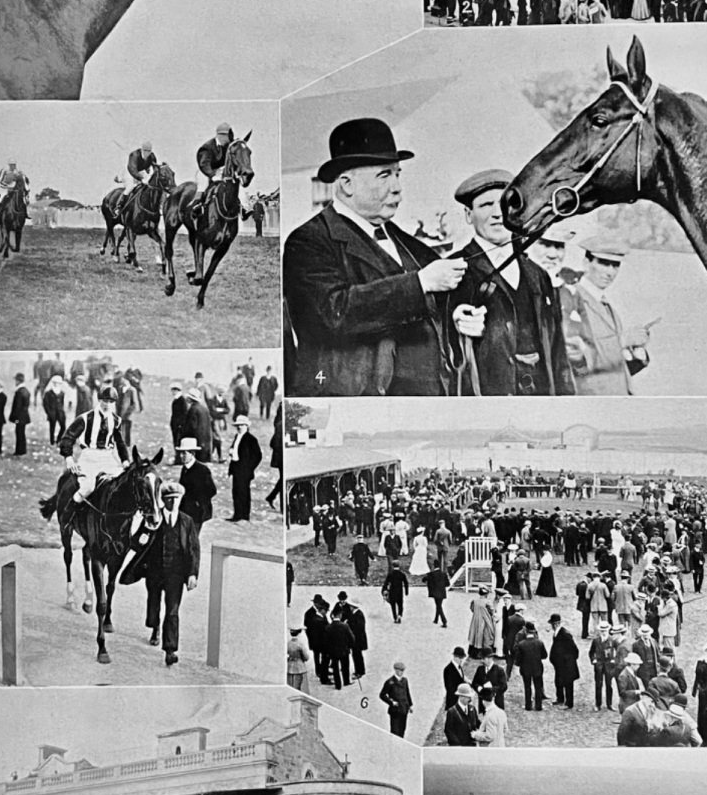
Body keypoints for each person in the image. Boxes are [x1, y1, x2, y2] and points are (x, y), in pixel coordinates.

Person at [283, 118, 467, 395]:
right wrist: (419, 285)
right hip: (355, 407)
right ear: (346, 184)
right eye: (384, 175)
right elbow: (333, 314)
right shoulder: (309, 241)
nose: (397, 187)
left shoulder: (407, 244)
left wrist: (456, 317)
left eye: (397, 174)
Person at [447, 170, 575, 396]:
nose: (497, 214)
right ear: (468, 214)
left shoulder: (538, 275)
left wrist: (565, 402)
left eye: (504, 204)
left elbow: (557, 352)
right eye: (486, 205)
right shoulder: (452, 269)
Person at [121, 482, 199, 668]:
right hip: (154, 572)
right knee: (154, 603)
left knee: (172, 611)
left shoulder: (186, 521)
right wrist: (142, 538)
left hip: (176, 574)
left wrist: (192, 574)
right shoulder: (153, 520)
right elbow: (135, 542)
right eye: (169, 499)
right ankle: (155, 627)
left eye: (177, 499)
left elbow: (194, 550)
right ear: (163, 500)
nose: (173, 503)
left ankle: (170, 650)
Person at [562, 239, 651, 395]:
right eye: (604, 263)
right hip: (591, 401)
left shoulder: (606, 306)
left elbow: (613, 369)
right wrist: (623, 341)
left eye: (615, 265)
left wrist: (635, 356)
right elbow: (576, 361)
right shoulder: (570, 299)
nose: (610, 272)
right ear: (586, 263)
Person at [58, 385, 129, 501]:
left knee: (121, 486)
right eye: (105, 401)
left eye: (111, 402)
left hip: (107, 457)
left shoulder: (117, 421)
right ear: (99, 400)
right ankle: (72, 512)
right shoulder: (85, 418)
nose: (107, 405)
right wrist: (68, 457)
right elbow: (68, 437)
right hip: (88, 456)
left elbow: (120, 443)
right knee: (88, 488)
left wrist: (125, 460)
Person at [192, 123, 235, 225]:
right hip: (205, 170)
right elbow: (204, 164)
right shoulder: (207, 147)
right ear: (219, 136)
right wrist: (212, 175)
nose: (228, 139)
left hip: (221, 171)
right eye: (225, 136)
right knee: (203, 183)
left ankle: (244, 208)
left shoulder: (228, 145)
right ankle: (197, 205)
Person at [178, 436, 217, 534]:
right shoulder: (185, 469)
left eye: (184, 453)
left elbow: (212, 490)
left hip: (197, 512)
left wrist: (198, 502)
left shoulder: (202, 470)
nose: (181, 456)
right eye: (180, 453)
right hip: (185, 510)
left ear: (192, 454)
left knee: (192, 539)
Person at [227, 415, 261, 522]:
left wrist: (249, 468)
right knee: (235, 492)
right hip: (236, 468)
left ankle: (244, 516)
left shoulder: (251, 439)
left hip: (244, 470)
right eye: (238, 425)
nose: (239, 427)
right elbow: (235, 449)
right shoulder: (237, 437)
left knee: (244, 493)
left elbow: (258, 456)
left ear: (247, 426)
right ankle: (237, 515)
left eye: (241, 425)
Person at [548, 615, 580, 708]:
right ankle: (560, 699)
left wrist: (567, 660)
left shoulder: (566, 634)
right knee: (558, 681)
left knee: (568, 683)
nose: (552, 626)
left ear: (556, 624)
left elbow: (574, 650)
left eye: (552, 624)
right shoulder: (556, 633)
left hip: (566, 665)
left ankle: (569, 703)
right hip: (559, 664)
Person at [379, 662, 413, 737]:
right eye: (399, 670)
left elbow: (407, 693)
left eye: (402, 670)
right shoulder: (390, 682)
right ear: (395, 670)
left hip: (404, 709)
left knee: (402, 730)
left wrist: (410, 705)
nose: (401, 672)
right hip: (395, 711)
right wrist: (391, 702)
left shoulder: (404, 680)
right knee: (395, 732)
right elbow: (382, 695)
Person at [123, 140, 158, 212]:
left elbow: (154, 167)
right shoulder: (134, 155)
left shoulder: (152, 156)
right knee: (130, 187)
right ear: (142, 150)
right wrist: (141, 179)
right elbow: (133, 170)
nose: (147, 154)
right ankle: (120, 206)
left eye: (149, 151)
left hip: (142, 172)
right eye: (145, 151)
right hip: (130, 172)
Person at [9, 373, 31, 456]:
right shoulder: (26, 391)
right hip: (24, 416)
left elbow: (17, 406)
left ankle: (19, 450)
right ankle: (22, 449)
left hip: (19, 416)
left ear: (18, 381)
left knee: (19, 433)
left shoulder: (19, 392)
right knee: (22, 433)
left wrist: (14, 417)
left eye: (16, 380)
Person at [286, 624, 310, 693]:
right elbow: (306, 657)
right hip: (300, 666)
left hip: (290, 666)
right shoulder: (300, 644)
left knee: (291, 685)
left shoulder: (288, 643)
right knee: (299, 687)